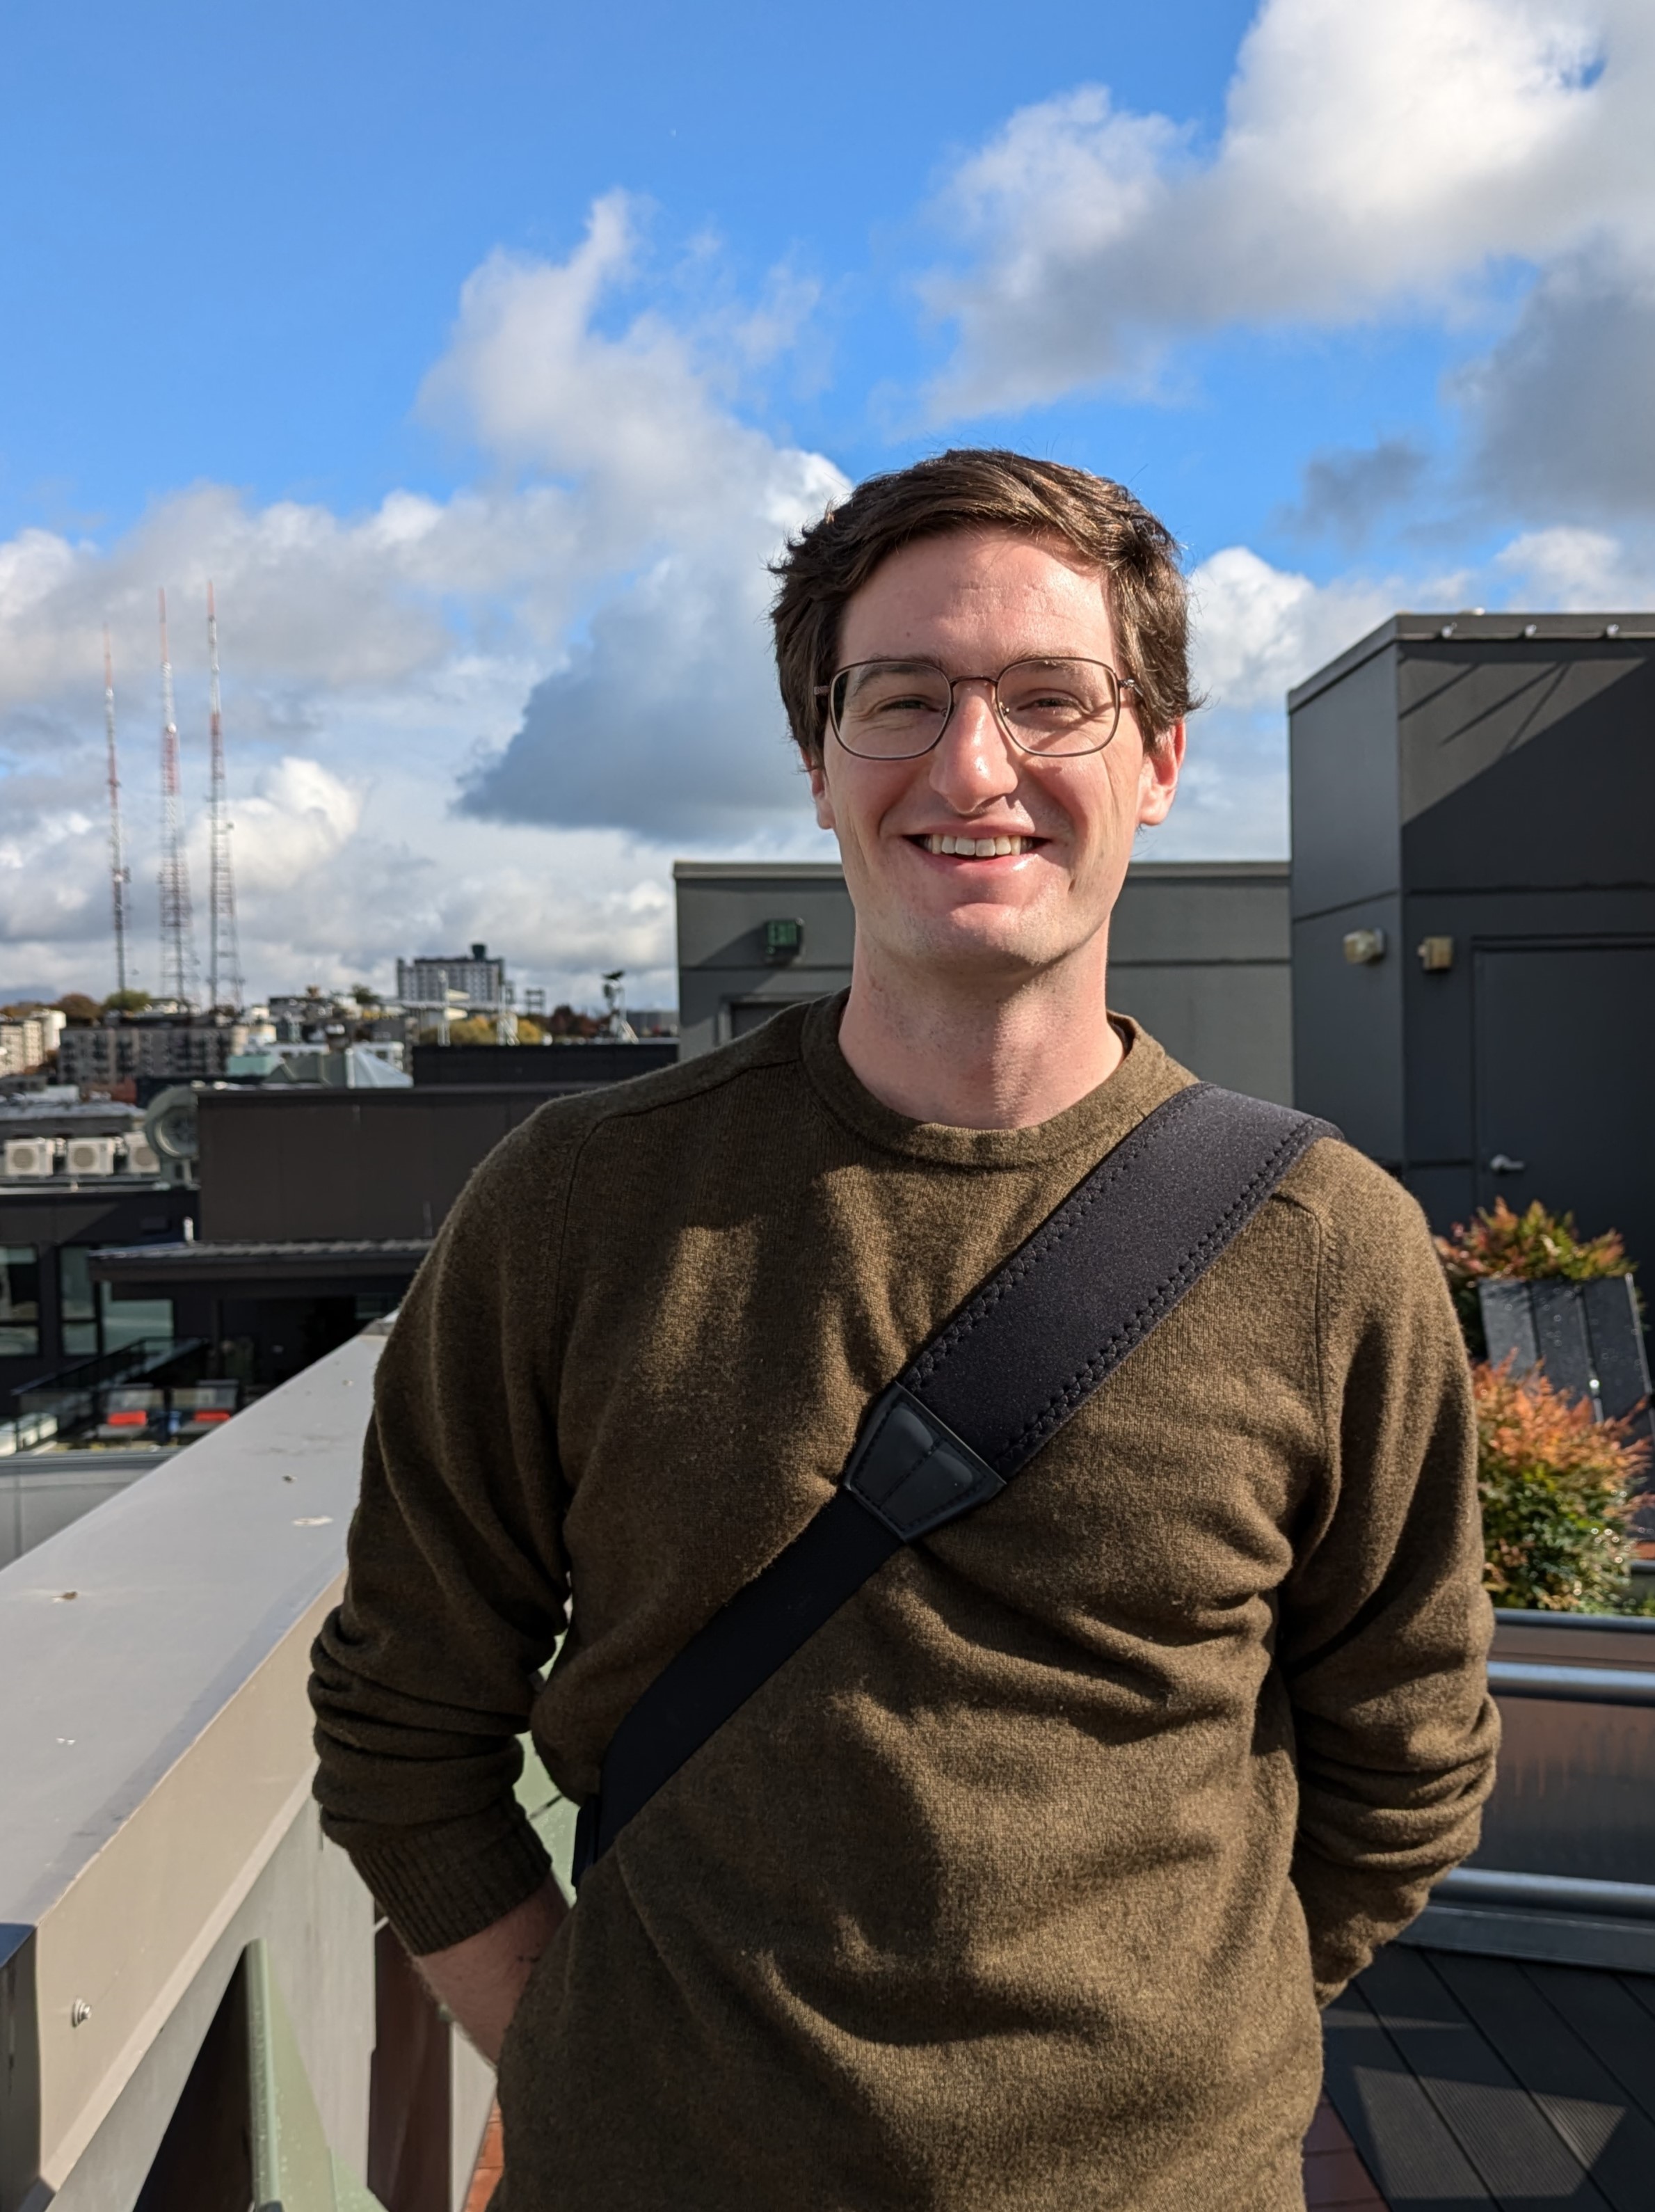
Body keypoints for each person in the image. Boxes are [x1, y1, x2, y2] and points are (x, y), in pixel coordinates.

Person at [310, 449, 1497, 2211]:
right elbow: (404, 1721)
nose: (970, 767)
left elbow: (1405, 1753)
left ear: (1157, 760)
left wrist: (1187, 2049)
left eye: (1050, 700)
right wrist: (570, 2044)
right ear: (817, 761)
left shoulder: (1324, 1248)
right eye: (901, 699)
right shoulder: (577, 1203)